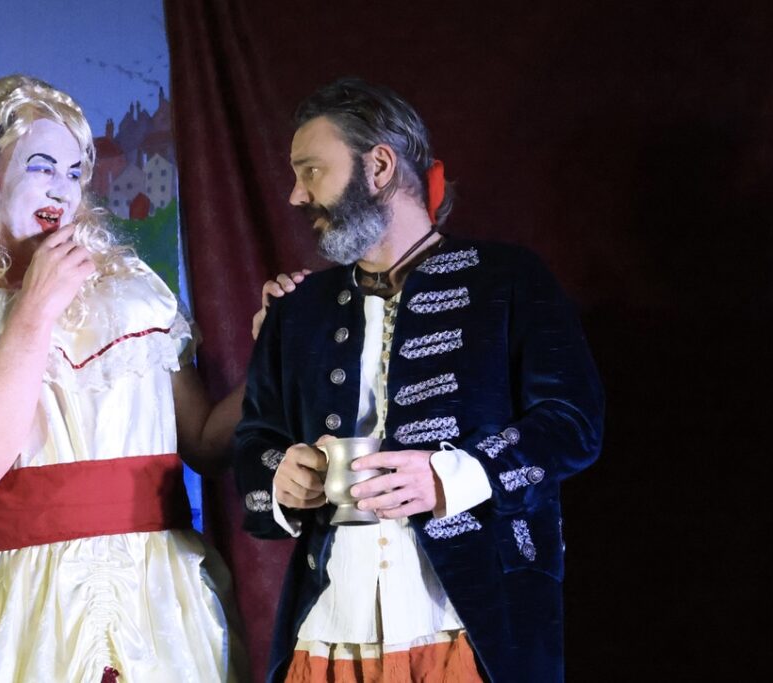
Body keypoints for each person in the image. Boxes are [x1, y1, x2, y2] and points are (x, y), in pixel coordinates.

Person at [0, 75, 247, 682]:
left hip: (152, 600)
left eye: (74, 173)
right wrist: (35, 308)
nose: (61, 188)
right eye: (41, 166)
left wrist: (280, 353)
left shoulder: (135, 298)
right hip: (17, 613)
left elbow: (205, 441)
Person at [235, 77, 605, 682]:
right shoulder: (296, 310)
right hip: (331, 624)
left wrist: (450, 476)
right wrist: (281, 477)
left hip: (473, 620)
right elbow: (255, 440)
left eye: (311, 171)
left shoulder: (508, 279)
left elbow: (573, 424)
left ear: (379, 166)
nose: (297, 195)